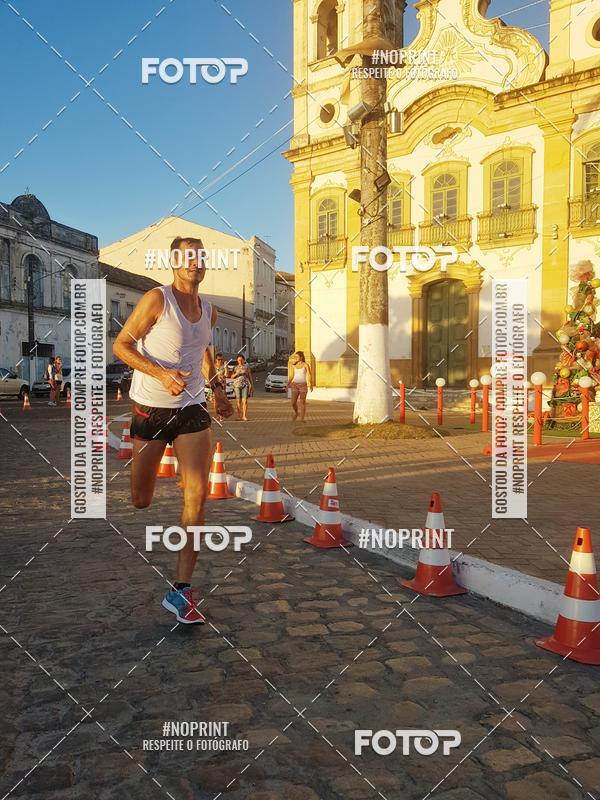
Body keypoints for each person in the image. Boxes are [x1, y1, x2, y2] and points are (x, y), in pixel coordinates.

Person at [113, 236, 233, 625]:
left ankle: (181, 591)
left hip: (192, 410)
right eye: (187, 257)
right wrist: (161, 373)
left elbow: (203, 355)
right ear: (174, 262)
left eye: (200, 257)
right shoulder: (156, 300)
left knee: (197, 496)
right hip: (151, 408)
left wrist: (218, 390)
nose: (195, 263)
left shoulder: (209, 311)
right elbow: (122, 346)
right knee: (141, 500)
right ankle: (148, 479)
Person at [288, 351, 312, 422]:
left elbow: (309, 375)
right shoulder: (294, 365)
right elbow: (291, 376)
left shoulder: (305, 365)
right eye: (295, 357)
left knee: (302, 402)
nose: (295, 358)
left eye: (297, 357)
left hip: (303, 385)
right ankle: (296, 413)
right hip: (294, 385)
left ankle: (302, 418)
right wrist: (287, 384)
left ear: (301, 357)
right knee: (293, 402)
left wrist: (310, 384)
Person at [231, 354, 253, 421]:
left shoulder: (247, 367)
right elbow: (231, 377)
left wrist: (251, 384)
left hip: (245, 385)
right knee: (238, 401)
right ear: (237, 360)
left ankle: (244, 416)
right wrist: (236, 374)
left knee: (245, 401)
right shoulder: (235, 368)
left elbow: (250, 376)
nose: (240, 361)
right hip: (237, 385)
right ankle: (239, 416)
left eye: (241, 360)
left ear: (244, 360)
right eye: (239, 360)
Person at [212, 352, 229, 422]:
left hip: (222, 386)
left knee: (221, 401)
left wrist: (225, 367)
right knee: (215, 402)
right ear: (216, 359)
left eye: (222, 359)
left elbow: (227, 375)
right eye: (219, 359)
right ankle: (217, 415)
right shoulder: (213, 366)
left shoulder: (224, 366)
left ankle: (221, 415)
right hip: (214, 385)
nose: (220, 361)